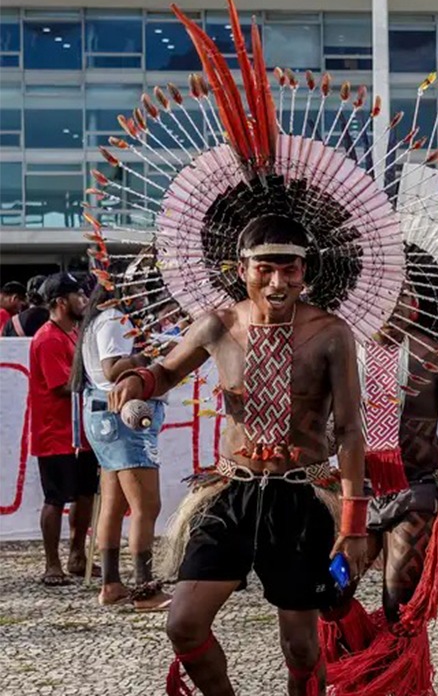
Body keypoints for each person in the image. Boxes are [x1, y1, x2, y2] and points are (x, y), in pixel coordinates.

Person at [109, 217, 373, 696]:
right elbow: (166, 372)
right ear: (241, 268)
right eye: (266, 268)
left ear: (305, 269)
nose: (278, 282)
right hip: (231, 494)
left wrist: (353, 524)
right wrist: (138, 380)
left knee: (301, 647)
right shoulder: (218, 324)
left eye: (290, 269)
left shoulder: (332, 333)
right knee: (183, 624)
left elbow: (352, 430)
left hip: (302, 499)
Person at [318, 282, 438, 696]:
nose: (394, 308)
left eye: (405, 298)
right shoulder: (338, 355)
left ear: (415, 305)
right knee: (329, 592)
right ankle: (366, 675)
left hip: (415, 494)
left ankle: (400, 686)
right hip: (354, 497)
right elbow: (324, 429)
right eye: (383, 299)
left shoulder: (434, 356)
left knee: (401, 607)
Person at [73, 274, 170, 610]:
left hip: (105, 416)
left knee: (114, 505)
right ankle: (145, 589)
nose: (145, 297)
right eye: (141, 290)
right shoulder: (115, 318)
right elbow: (113, 369)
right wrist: (151, 356)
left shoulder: (102, 319)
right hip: (121, 417)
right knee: (146, 505)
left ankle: (112, 584)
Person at [28, 273, 95, 587]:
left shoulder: (74, 332)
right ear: (60, 302)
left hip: (82, 433)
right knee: (55, 498)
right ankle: (51, 563)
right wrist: (102, 379)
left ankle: (78, 556)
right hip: (55, 434)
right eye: (77, 296)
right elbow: (61, 385)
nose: (83, 300)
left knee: (84, 496)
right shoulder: (48, 338)